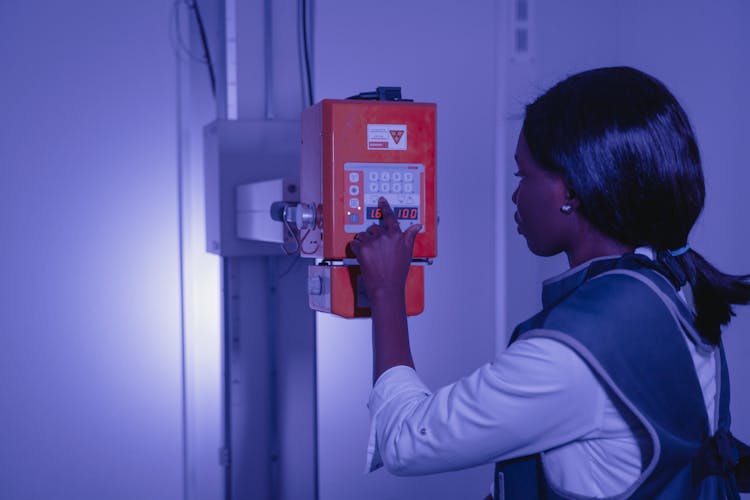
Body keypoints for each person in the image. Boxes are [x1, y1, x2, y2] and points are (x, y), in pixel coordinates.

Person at [349, 66, 750, 499]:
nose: (515, 195)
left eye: (524, 176)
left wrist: (387, 291)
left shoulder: (573, 353)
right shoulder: (676, 289)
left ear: (573, 191)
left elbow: (407, 441)